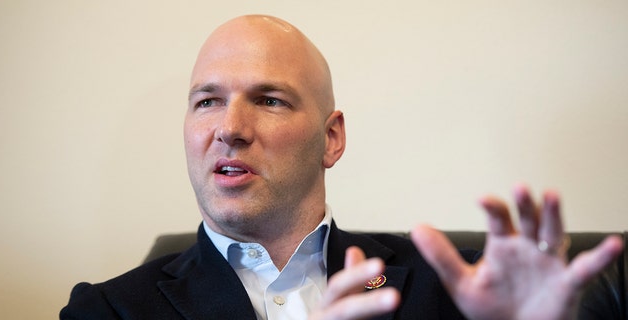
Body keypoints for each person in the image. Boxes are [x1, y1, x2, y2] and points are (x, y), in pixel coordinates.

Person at [60, 15, 623, 319]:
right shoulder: (107, 310)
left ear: (331, 138)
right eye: (207, 100)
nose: (228, 127)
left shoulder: (452, 292)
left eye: (269, 99)